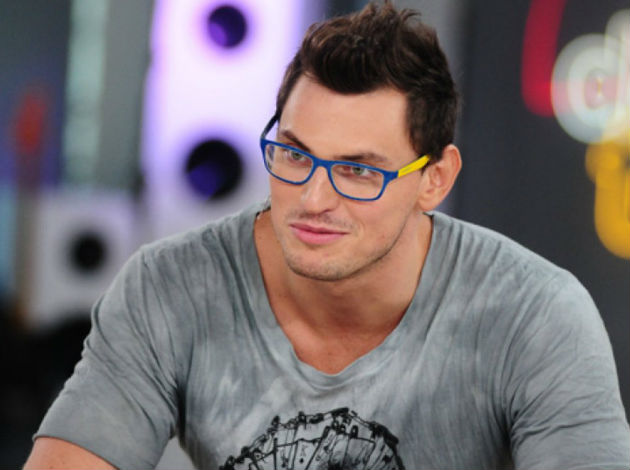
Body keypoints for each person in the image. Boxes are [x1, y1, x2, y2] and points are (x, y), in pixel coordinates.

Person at [24, 2, 630, 469]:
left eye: (359, 171)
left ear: (435, 180)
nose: (313, 200)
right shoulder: (171, 287)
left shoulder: (535, 316)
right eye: (294, 155)